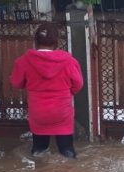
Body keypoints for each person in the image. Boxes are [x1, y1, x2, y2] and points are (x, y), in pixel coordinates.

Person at [10, 24, 84, 158]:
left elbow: (16, 83)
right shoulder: (68, 61)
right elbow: (78, 84)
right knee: (67, 150)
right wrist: (68, 92)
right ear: (56, 42)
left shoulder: (24, 61)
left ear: (36, 41)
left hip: (38, 112)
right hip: (62, 112)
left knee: (39, 151)